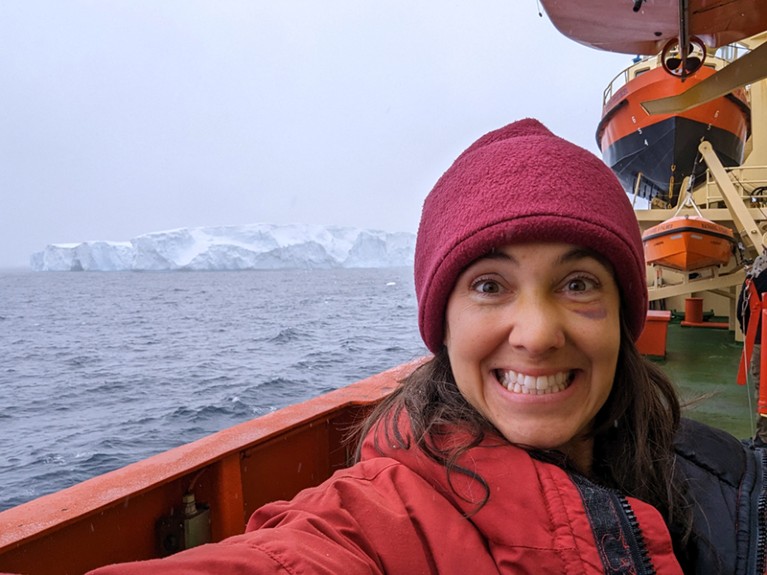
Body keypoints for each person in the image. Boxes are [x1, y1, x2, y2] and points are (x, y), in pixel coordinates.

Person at [88, 119, 767, 574]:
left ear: (623, 312)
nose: (534, 333)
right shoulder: (381, 516)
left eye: (579, 281)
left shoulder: (725, 477)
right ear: (440, 326)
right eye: (489, 284)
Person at [738, 249, 767, 447]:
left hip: (760, 340)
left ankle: (763, 438)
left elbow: (743, 311)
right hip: (759, 338)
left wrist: (750, 333)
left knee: (764, 390)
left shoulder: (755, 275)